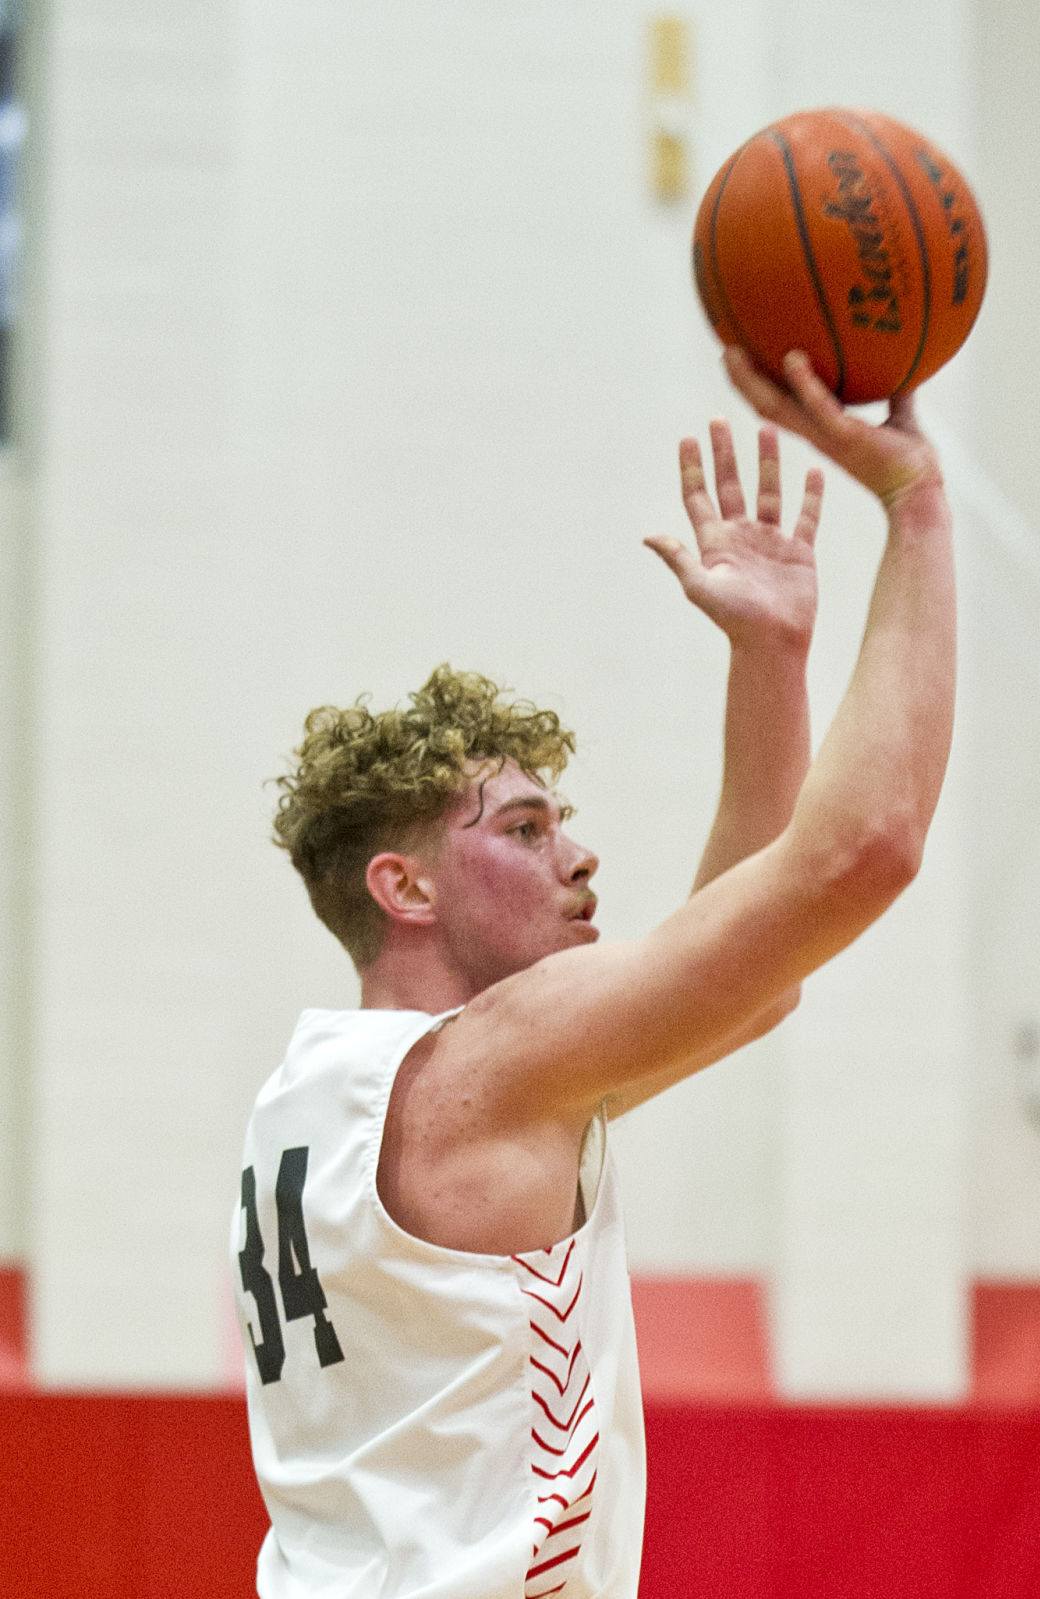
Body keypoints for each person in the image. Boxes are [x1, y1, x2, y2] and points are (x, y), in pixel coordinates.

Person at [233, 348, 957, 1599]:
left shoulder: (318, 1094)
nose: (579, 854)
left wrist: (769, 661)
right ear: (403, 889)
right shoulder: (490, 1067)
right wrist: (918, 510)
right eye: (522, 831)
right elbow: (864, 849)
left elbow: (751, 982)